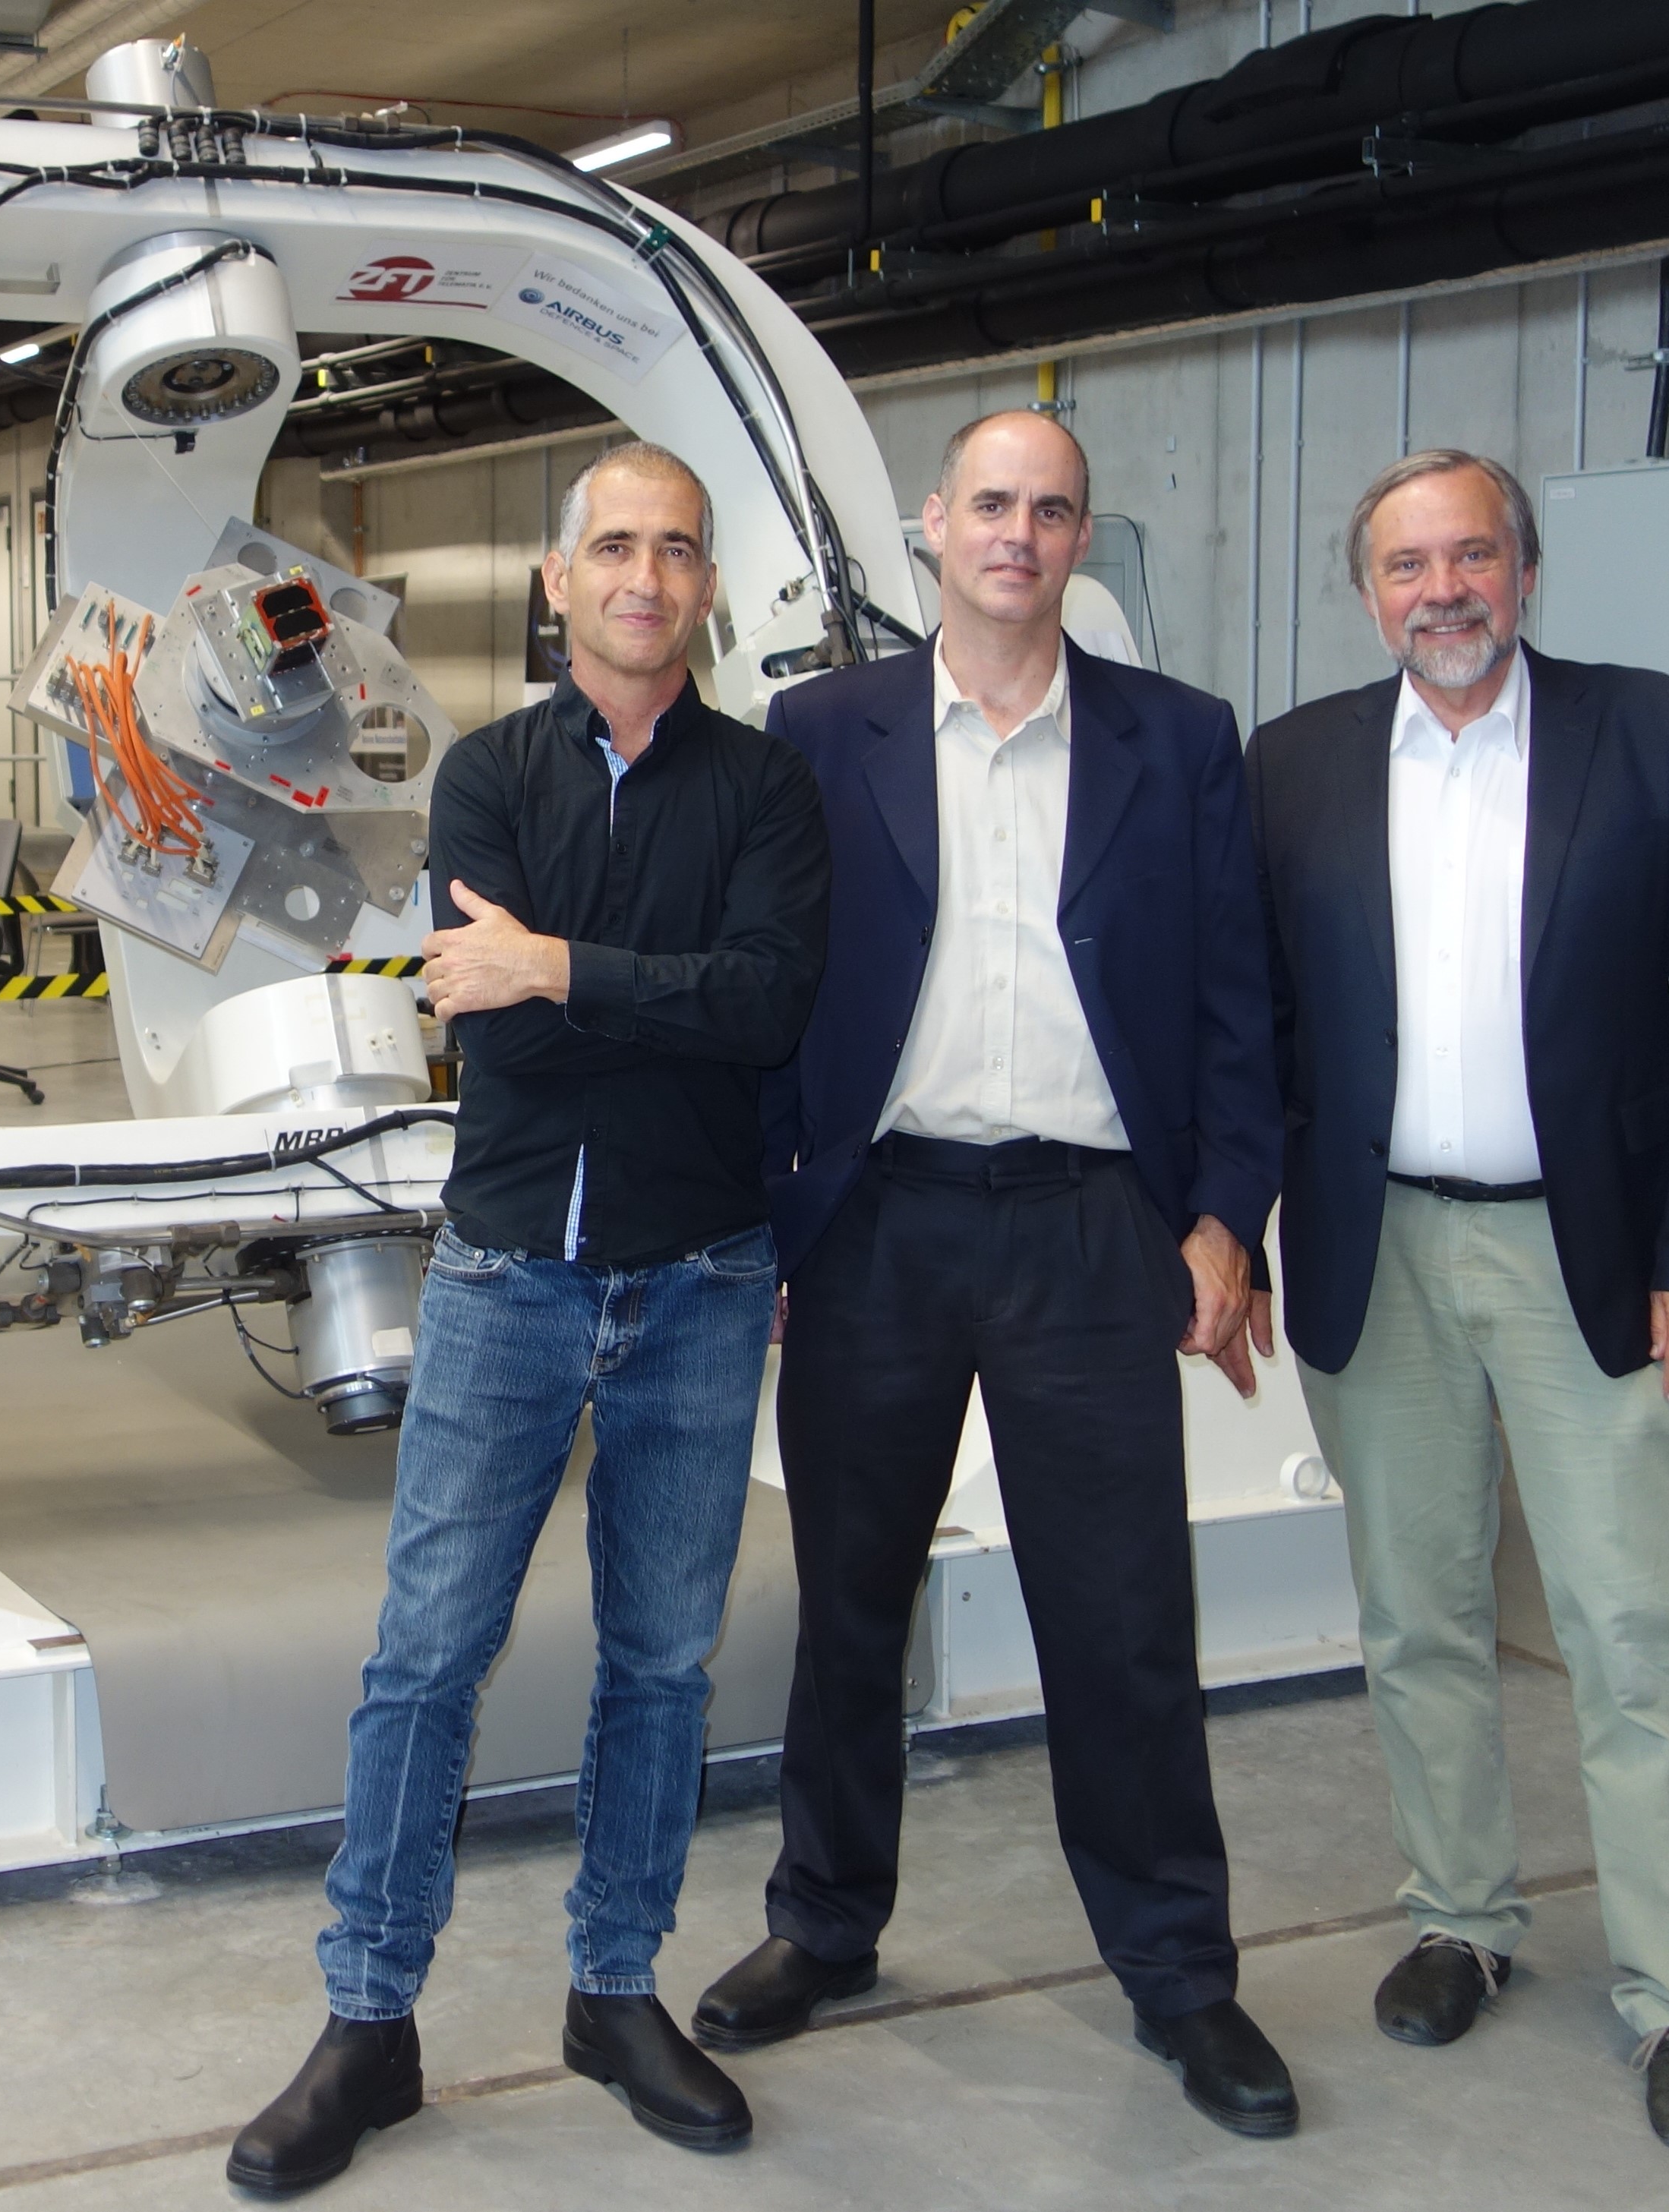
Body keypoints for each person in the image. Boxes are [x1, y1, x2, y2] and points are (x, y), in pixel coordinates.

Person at [226, 443, 831, 2195]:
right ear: (556, 582)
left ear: (705, 590)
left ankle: (612, 1987)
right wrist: (636, 988)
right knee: (424, 1656)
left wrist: (562, 961)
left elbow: (768, 1005)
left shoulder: (766, 793)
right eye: (613, 548)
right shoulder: (485, 777)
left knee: (659, 1659)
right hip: (506, 1274)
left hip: (705, 1276)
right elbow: (502, 1031)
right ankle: (367, 2020)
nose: (645, 576)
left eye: (677, 550)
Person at [694, 409, 1300, 2139]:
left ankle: (1179, 1973)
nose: (1015, 535)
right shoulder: (818, 732)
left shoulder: (1177, 740)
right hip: (876, 1220)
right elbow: (763, 988)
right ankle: (821, 1920)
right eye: (988, 505)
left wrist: (1221, 1218)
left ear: (1078, 538)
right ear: (928, 528)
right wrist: (775, 1214)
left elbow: (1237, 1007)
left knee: (1121, 1623)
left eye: (1047, 510)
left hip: (1097, 1231)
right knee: (849, 1603)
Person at [1245, 450, 1669, 2154]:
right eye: (1406, 564)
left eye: (1469, 554)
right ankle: (1459, 1913)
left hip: (1595, 1255)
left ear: (1523, 572)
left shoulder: (1649, 729)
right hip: (1375, 1244)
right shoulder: (1295, 764)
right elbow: (1246, 1023)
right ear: (1367, 591)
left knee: (1637, 1629)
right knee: (1414, 1613)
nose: (1441, 589)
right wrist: (1213, 1224)